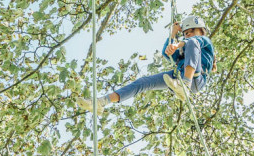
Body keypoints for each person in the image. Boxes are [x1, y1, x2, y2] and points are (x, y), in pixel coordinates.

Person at [77, 16, 216, 115]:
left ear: (201, 31)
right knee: (143, 82)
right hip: (177, 77)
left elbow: (195, 41)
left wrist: (179, 43)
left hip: (197, 79)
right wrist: (172, 35)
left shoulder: (204, 41)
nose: (188, 35)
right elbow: (168, 55)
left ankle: (185, 83)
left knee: (192, 43)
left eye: (191, 31)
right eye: (185, 33)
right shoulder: (185, 48)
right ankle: (101, 102)